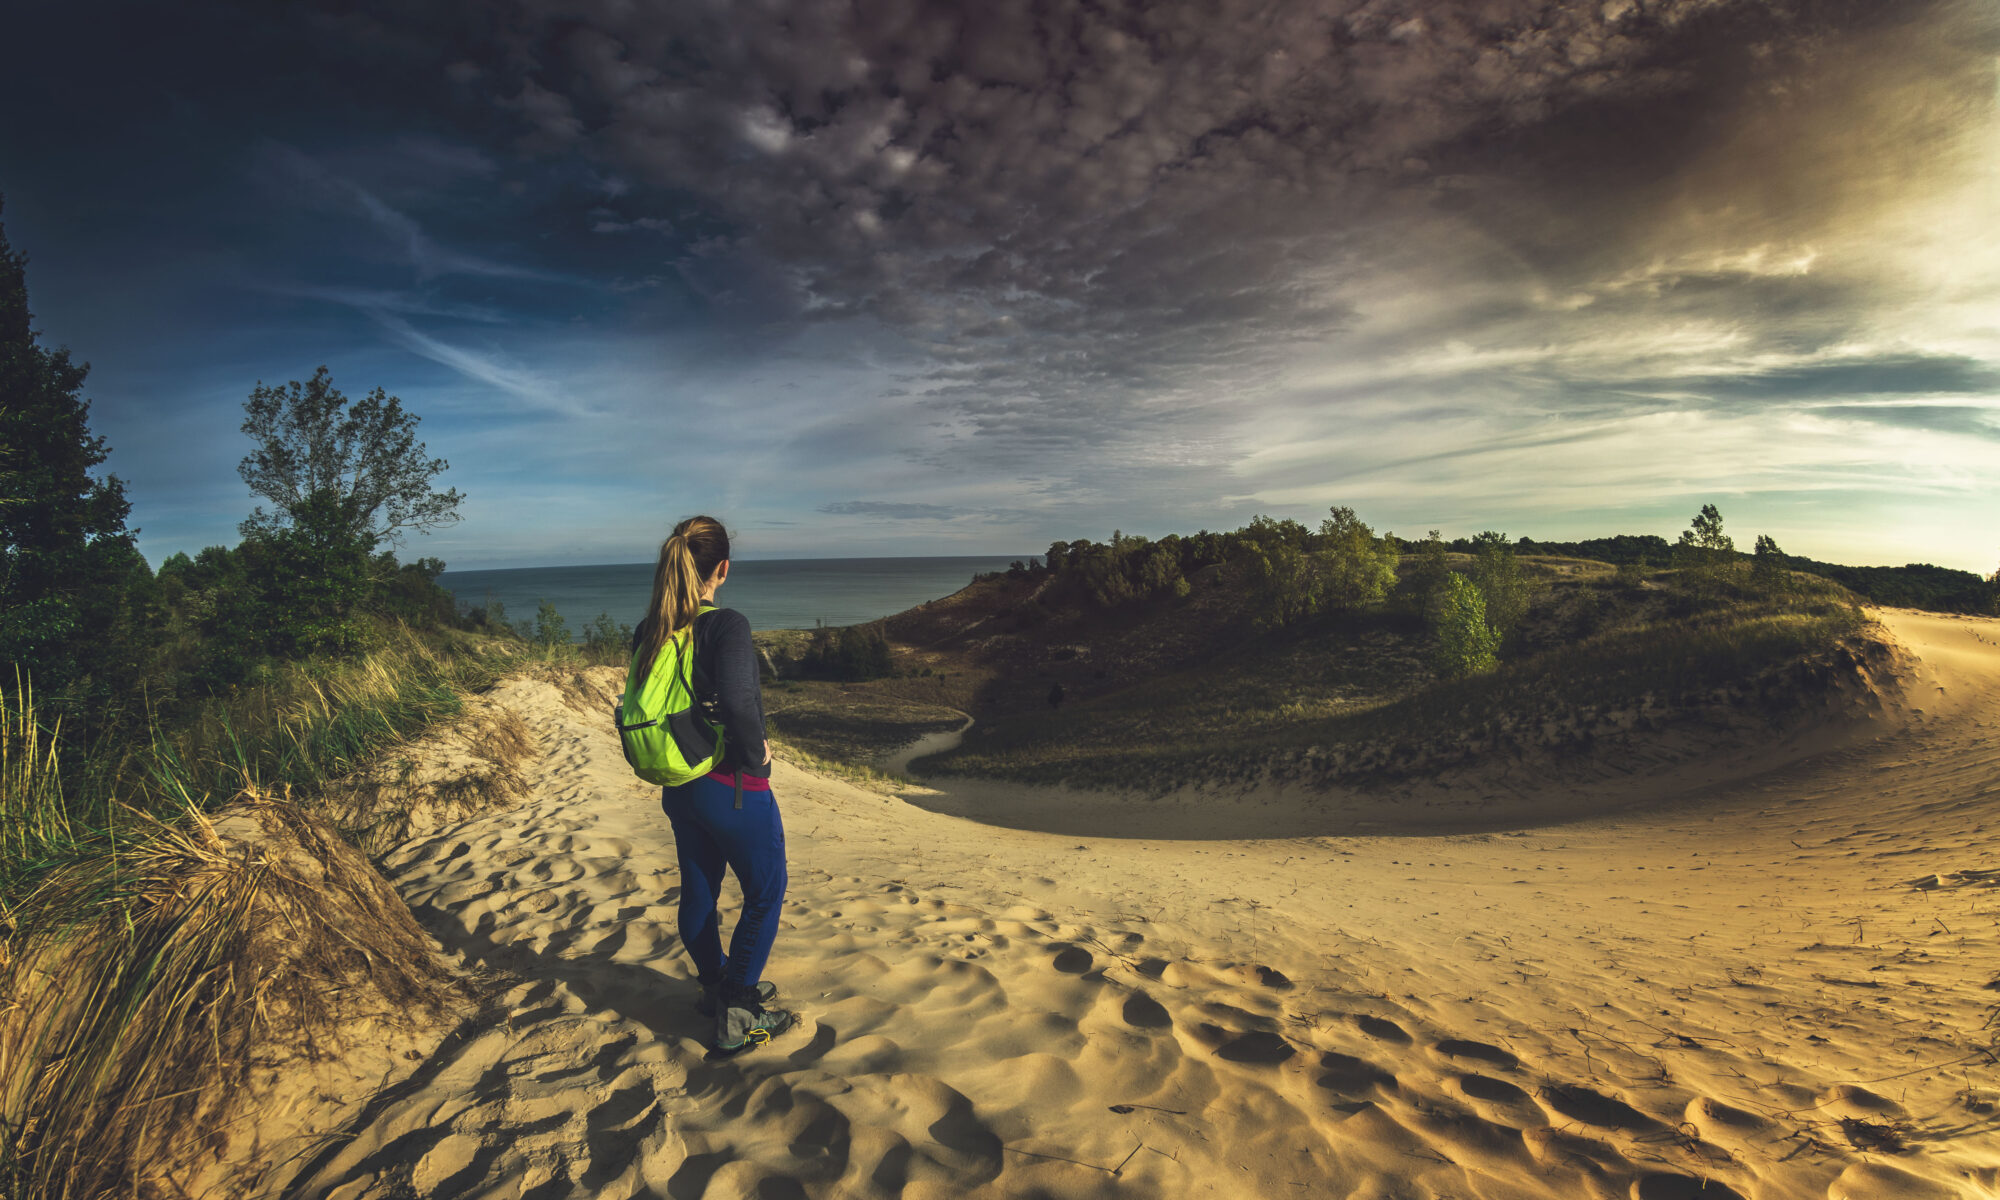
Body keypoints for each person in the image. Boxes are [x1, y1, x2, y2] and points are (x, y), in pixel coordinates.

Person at [632, 515, 795, 1055]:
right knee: (765, 892)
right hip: (731, 785)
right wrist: (759, 763)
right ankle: (740, 1012)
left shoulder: (650, 627)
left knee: (699, 888)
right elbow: (740, 702)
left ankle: (713, 989)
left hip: (679, 785)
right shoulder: (726, 624)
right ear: (722, 568)